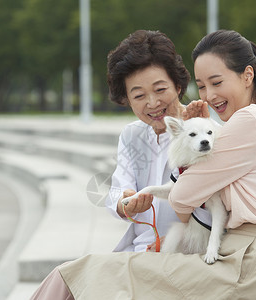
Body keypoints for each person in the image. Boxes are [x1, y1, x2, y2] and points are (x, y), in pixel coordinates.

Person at [30, 29, 256, 300]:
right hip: (246, 253)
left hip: (247, 259)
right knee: (85, 274)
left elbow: (182, 195)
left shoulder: (240, 123)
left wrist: (190, 132)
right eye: (202, 86)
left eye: (217, 82)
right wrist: (123, 203)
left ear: (247, 74)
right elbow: (122, 188)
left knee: (82, 274)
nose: (209, 95)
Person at [104, 29, 192, 253]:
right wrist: (126, 204)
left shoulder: (201, 131)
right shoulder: (132, 135)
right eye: (139, 96)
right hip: (138, 251)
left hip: (186, 255)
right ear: (128, 100)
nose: (152, 103)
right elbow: (118, 191)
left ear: (178, 86)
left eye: (160, 89)